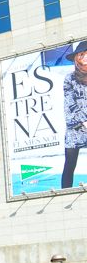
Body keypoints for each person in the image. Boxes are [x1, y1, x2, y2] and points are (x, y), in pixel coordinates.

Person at [62, 41, 87, 188]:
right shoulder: (69, 78)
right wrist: (83, 120)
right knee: (70, 163)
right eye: (81, 54)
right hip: (75, 126)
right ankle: (64, 193)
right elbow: (70, 102)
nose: (84, 58)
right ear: (76, 58)